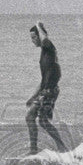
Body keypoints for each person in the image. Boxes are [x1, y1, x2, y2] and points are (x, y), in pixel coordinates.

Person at [26, 21, 66, 154]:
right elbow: (43, 80)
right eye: (31, 38)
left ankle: (34, 150)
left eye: (34, 37)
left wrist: (38, 26)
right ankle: (62, 148)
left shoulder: (48, 46)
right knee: (42, 121)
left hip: (49, 92)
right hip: (47, 91)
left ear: (40, 36)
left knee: (31, 116)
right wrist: (33, 96)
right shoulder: (45, 53)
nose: (33, 41)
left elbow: (45, 38)